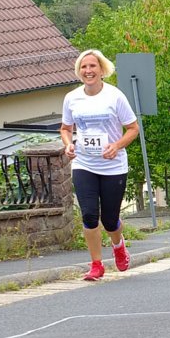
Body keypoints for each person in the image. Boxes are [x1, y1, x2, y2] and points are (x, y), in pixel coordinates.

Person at [60, 49, 140, 281]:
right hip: (84, 163)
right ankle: (96, 264)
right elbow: (66, 128)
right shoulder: (72, 98)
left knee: (109, 219)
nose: (88, 71)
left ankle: (118, 245)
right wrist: (68, 145)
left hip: (112, 166)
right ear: (79, 71)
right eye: (84, 67)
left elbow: (133, 128)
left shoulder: (115, 96)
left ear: (102, 69)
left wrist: (117, 145)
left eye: (92, 66)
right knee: (89, 215)